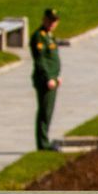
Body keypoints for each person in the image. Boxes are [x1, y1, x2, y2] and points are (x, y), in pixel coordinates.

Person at [31, 9, 62, 151]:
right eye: (50, 21)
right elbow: (40, 60)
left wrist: (57, 76)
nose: (52, 24)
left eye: (54, 21)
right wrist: (49, 78)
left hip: (53, 79)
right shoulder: (39, 37)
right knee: (44, 111)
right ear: (44, 20)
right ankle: (43, 143)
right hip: (45, 80)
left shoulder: (50, 36)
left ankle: (45, 140)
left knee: (48, 111)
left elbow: (53, 60)